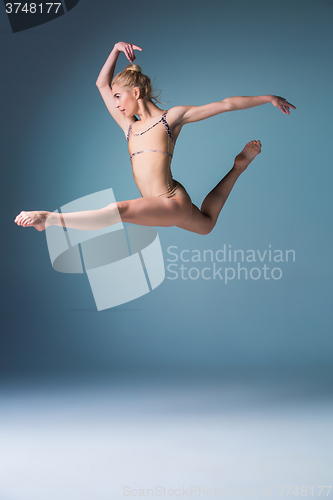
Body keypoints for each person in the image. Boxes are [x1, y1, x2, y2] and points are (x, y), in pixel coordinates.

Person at [14, 41, 296, 235]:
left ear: (136, 93)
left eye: (118, 97)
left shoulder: (170, 119)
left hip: (170, 201)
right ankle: (238, 167)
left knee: (118, 210)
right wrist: (114, 49)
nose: (116, 104)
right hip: (161, 205)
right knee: (207, 224)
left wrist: (268, 98)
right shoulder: (129, 126)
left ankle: (48, 218)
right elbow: (101, 83)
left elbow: (225, 104)